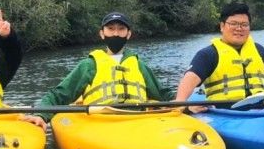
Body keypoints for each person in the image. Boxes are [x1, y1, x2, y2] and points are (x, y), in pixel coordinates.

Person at [34, 11, 172, 119]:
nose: (116, 33)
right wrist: (41, 115)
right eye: (110, 28)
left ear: (128, 34)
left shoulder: (139, 65)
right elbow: (59, 95)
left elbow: (164, 95)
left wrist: (186, 104)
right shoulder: (89, 65)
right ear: (102, 33)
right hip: (101, 121)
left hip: (137, 119)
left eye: (121, 29)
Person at [174, 1, 264, 110]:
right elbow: (190, 78)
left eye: (244, 25)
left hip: (262, 108)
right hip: (225, 112)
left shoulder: (258, 50)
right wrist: (182, 103)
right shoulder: (208, 54)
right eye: (233, 24)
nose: (239, 28)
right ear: (222, 26)